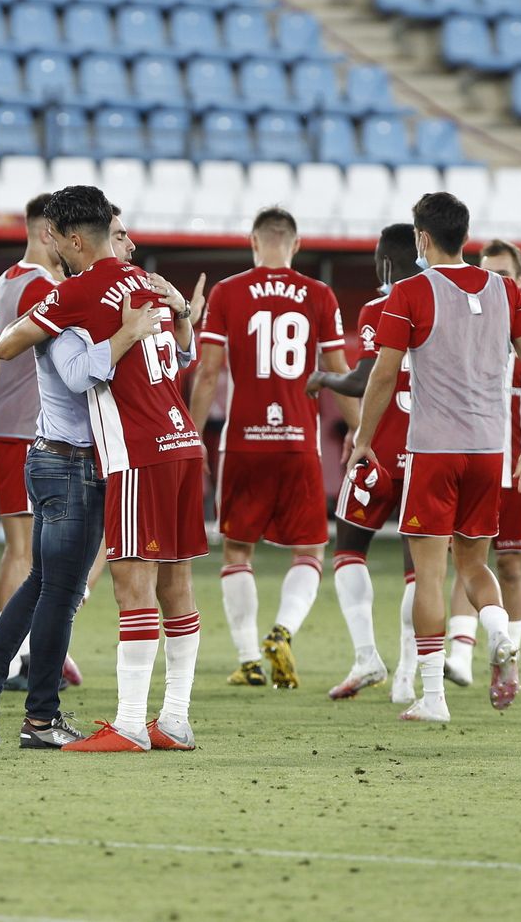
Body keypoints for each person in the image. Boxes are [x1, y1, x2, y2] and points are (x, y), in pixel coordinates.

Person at [0, 187, 207, 753]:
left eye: (60, 239)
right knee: (177, 585)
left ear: (74, 240)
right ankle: (176, 720)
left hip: (139, 451)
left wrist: (41, 325)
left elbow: (7, 344)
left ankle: (132, 724)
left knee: (131, 586)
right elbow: (184, 352)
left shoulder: (81, 290)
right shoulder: (148, 282)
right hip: (184, 440)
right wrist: (184, 314)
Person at [0, 206, 159, 749]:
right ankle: (41, 717)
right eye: (118, 237)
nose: (127, 248)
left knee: (42, 583)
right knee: (58, 593)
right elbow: (74, 374)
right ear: (83, 241)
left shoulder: (70, 301)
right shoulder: (65, 304)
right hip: (69, 461)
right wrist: (126, 334)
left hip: (54, 456)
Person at [347, 192, 521, 724]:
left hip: (434, 450)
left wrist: (364, 438)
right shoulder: (506, 291)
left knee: (430, 576)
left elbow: (383, 375)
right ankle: (501, 634)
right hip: (490, 451)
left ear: (421, 238)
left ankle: (432, 695)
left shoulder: (411, 291)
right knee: (476, 565)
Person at [189, 207, 353, 690]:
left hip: (243, 443)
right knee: (310, 550)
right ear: (296, 245)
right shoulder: (319, 295)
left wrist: (192, 433)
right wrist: (360, 435)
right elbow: (339, 372)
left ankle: (248, 659)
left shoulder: (227, 292)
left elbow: (208, 372)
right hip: (299, 443)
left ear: (254, 242)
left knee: (237, 553)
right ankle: (281, 633)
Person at [444, 239, 521, 689]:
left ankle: (507, 659)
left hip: (515, 469)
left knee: (512, 565)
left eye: (503, 276)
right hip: (470, 461)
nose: (494, 283)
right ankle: (459, 653)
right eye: (487, 274)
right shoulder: (463, 325)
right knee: (466, 557)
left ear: (520, 281)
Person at [310, 224, 421, 703]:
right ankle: (408, 676)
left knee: (349, 548)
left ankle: (366, 655)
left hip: (378, 450)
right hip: (428, 456)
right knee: (423, 569)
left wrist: (323, 378)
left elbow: (365, 378)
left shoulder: (380, 308)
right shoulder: (448, 305)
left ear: (386, 263)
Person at [0, 194, 80, 691]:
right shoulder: (40, 286)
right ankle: (10, 661)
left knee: (30, 552)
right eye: (61, 234)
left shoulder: (7, 280)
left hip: (6, 426)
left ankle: (34, 651)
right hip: (21, 430)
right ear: (45, 234)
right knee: (25, 552)